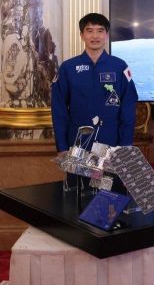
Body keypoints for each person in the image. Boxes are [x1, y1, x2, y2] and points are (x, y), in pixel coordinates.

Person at [51, 13, 138, 188]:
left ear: (106, 35)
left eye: (100, 31)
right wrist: (61, 146)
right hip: (77, 146)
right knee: (76, 199)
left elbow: (128, 109)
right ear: (82, 35)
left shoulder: (120, 67)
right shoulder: (68, 68)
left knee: (108, 200)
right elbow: (59, 110)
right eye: (89, 31)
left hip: (112, 146)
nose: (95, 36)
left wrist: (125, 146)